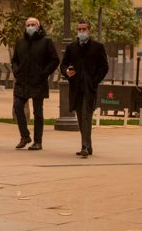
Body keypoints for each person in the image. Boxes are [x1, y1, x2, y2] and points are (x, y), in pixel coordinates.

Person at [61, 20, 109, 158]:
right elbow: (63, 64)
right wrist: (66, 72)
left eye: (84, 29)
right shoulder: (71, 47)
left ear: (90, 30)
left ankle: (85, 147)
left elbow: (104, 67)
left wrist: (94, 81)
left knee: (86, 116)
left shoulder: (97, 47)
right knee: (80, 117)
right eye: (79, 29)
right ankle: (88, 144)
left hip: (89, 88)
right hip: (76, 88)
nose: (81, 32)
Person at [11, 16, 59, 151]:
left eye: (33, 24)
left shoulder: (46, 41)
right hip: (22, 81)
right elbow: (14, 60)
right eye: (28, 25)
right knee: (18, 106)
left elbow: (54, 60)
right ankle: (25, 136)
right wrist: (16, 71)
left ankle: (38, 141)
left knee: (38, 112)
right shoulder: (20, 42)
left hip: (38, 82)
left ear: (38, 27)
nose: (30, 27)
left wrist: (43, 73)